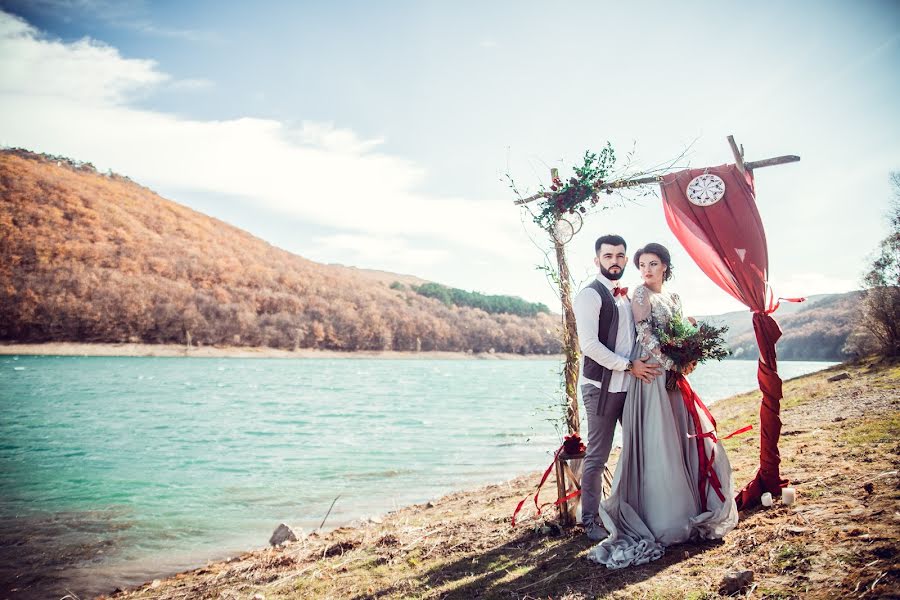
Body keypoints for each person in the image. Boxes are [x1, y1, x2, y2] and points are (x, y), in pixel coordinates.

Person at [587, 242, 739, 569]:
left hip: (672, 376)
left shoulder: (673, 297)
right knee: (660, 441)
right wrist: (672, 363)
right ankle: (663, 514)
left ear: (665, 266)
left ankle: (692, 504)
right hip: (653, 375)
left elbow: (677, 332)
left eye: (653, 264)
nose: (646, 270)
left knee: (683, 435)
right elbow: (645, 333)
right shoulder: (639, 295)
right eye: (641, 265)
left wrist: (689, 358)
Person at [573, 234, 662, 542]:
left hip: (631, 386)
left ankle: (637, 510)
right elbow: (589, 346)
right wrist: (628, 366)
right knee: (598, 455)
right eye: (608, 255)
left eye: (620, 255)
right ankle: (589, 520)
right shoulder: (590, 295)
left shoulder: (627, 296)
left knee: (640, 445)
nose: (615, 260)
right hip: (600, 386)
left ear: (626, 260)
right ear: (597, 260)